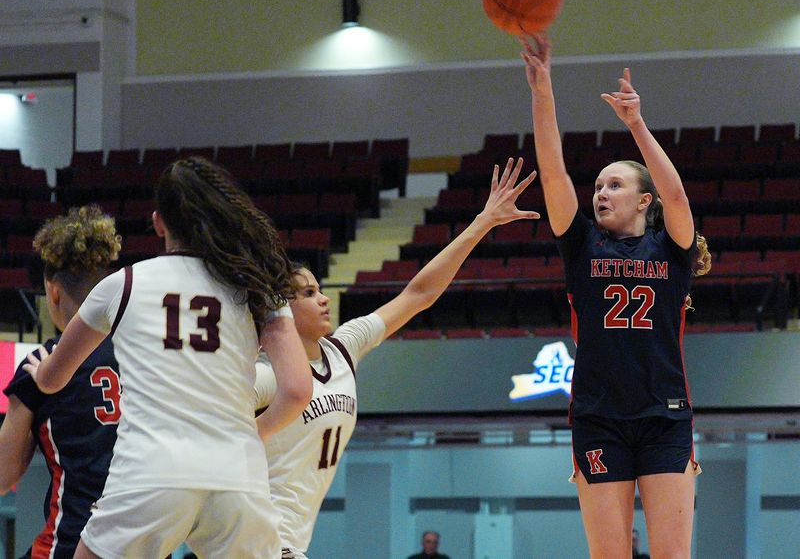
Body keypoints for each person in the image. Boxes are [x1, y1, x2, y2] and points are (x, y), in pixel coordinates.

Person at [23, 157, 312, 559]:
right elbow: (298, 390)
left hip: (150, 474)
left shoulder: (122, 285)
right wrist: (254, 431)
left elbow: (54, 379)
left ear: (159, 222)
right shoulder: (259, 286)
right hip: (237, 476)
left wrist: (40, 374)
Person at [253, 158, 539, 558]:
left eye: (320, 289)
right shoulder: (266, 377)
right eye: (307, 293)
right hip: (259, 539)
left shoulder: (344, 347)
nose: (322, 299)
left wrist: (482, 223)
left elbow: (418, 295)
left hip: (292, 540)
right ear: (280, 307)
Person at [521, 34, 711, 558]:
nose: (600, 193)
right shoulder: (582, 245)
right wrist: (543, 89)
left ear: (643, 200)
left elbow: (677, 195)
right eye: (598, 186)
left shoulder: (671, 249)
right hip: (599, 416)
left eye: (614, 186)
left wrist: (636, 125)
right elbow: (554, 172)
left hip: (665, 414)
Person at [0, 205, 121, 559]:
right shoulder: (145, 354)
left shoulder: (43, 366)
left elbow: (4, 474)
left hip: (69, 545)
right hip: (142, 545)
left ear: (53, 292)